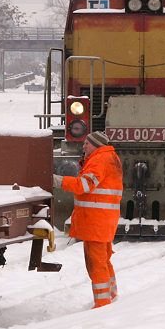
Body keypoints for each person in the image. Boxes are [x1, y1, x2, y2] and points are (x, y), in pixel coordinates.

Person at [53, 131, 123, 308]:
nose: (83, 146)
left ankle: (102, 303)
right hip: (103, 220)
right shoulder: (109, 157)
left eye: (87, 143)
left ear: (96, 145)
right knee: (104, 260)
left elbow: (84, 185)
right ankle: (111, 295)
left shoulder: (99, 160)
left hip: (96, 221)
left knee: (96, 263)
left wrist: (57, 181)